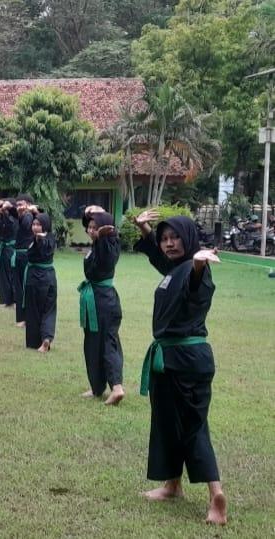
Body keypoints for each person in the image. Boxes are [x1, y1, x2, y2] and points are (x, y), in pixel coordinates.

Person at [132, 210, 227, 525]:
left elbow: (195, 284)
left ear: (189, 239)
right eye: (165, 239)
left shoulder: (194, 269)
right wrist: (144, 228)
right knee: (166, 422)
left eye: (175, 238)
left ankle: (216, 495)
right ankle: (172, 485)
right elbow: (166, 264)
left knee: (193, 427)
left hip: (187, 360)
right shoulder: (174, 269)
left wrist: (200, 263)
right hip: (168, 360)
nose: (169, 244)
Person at [79, 206, 125, 405]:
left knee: (107, 343)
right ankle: (97, 387)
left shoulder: (107, 245)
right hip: (96, 300)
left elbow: (107, 253)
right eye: (89, 227)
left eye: (95, 227)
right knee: (93, 343)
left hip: (103, 302)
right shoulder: (97, 245)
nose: (91, 230)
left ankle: (116, 387)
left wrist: (107, 235)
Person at [23, 211, 56, 352]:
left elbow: (43, 248)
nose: (35, 227)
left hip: (36, 279)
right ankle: (46, 338)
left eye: (39, 224)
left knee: (35, 311)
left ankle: (36, 341)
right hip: (49, 278)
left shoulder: (43, 239)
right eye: (34, 224)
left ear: (45, 226)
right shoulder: (51, 238)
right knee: (49, 310)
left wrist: (39, 240)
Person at [13, 195, 35, 327]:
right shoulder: (22, 216)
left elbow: (27, 226)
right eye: (18, 205)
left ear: (28, 204)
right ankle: (22, 318)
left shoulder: (29, 216)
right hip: (19, 255)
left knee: (25, 287)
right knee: (19, 287)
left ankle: (27, 319)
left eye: (21, 204)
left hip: (25, 255)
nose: (19, 207)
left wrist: (24, 213)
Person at [0, 199, 18, 308]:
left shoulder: (16, 218)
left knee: (12, 275)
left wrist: (5, 211)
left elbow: (11, 226)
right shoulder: (3, 217)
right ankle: (4, 299)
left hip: (11, 249)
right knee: (2, 275)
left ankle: (13, 300)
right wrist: (0, 212)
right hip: (3, 248)